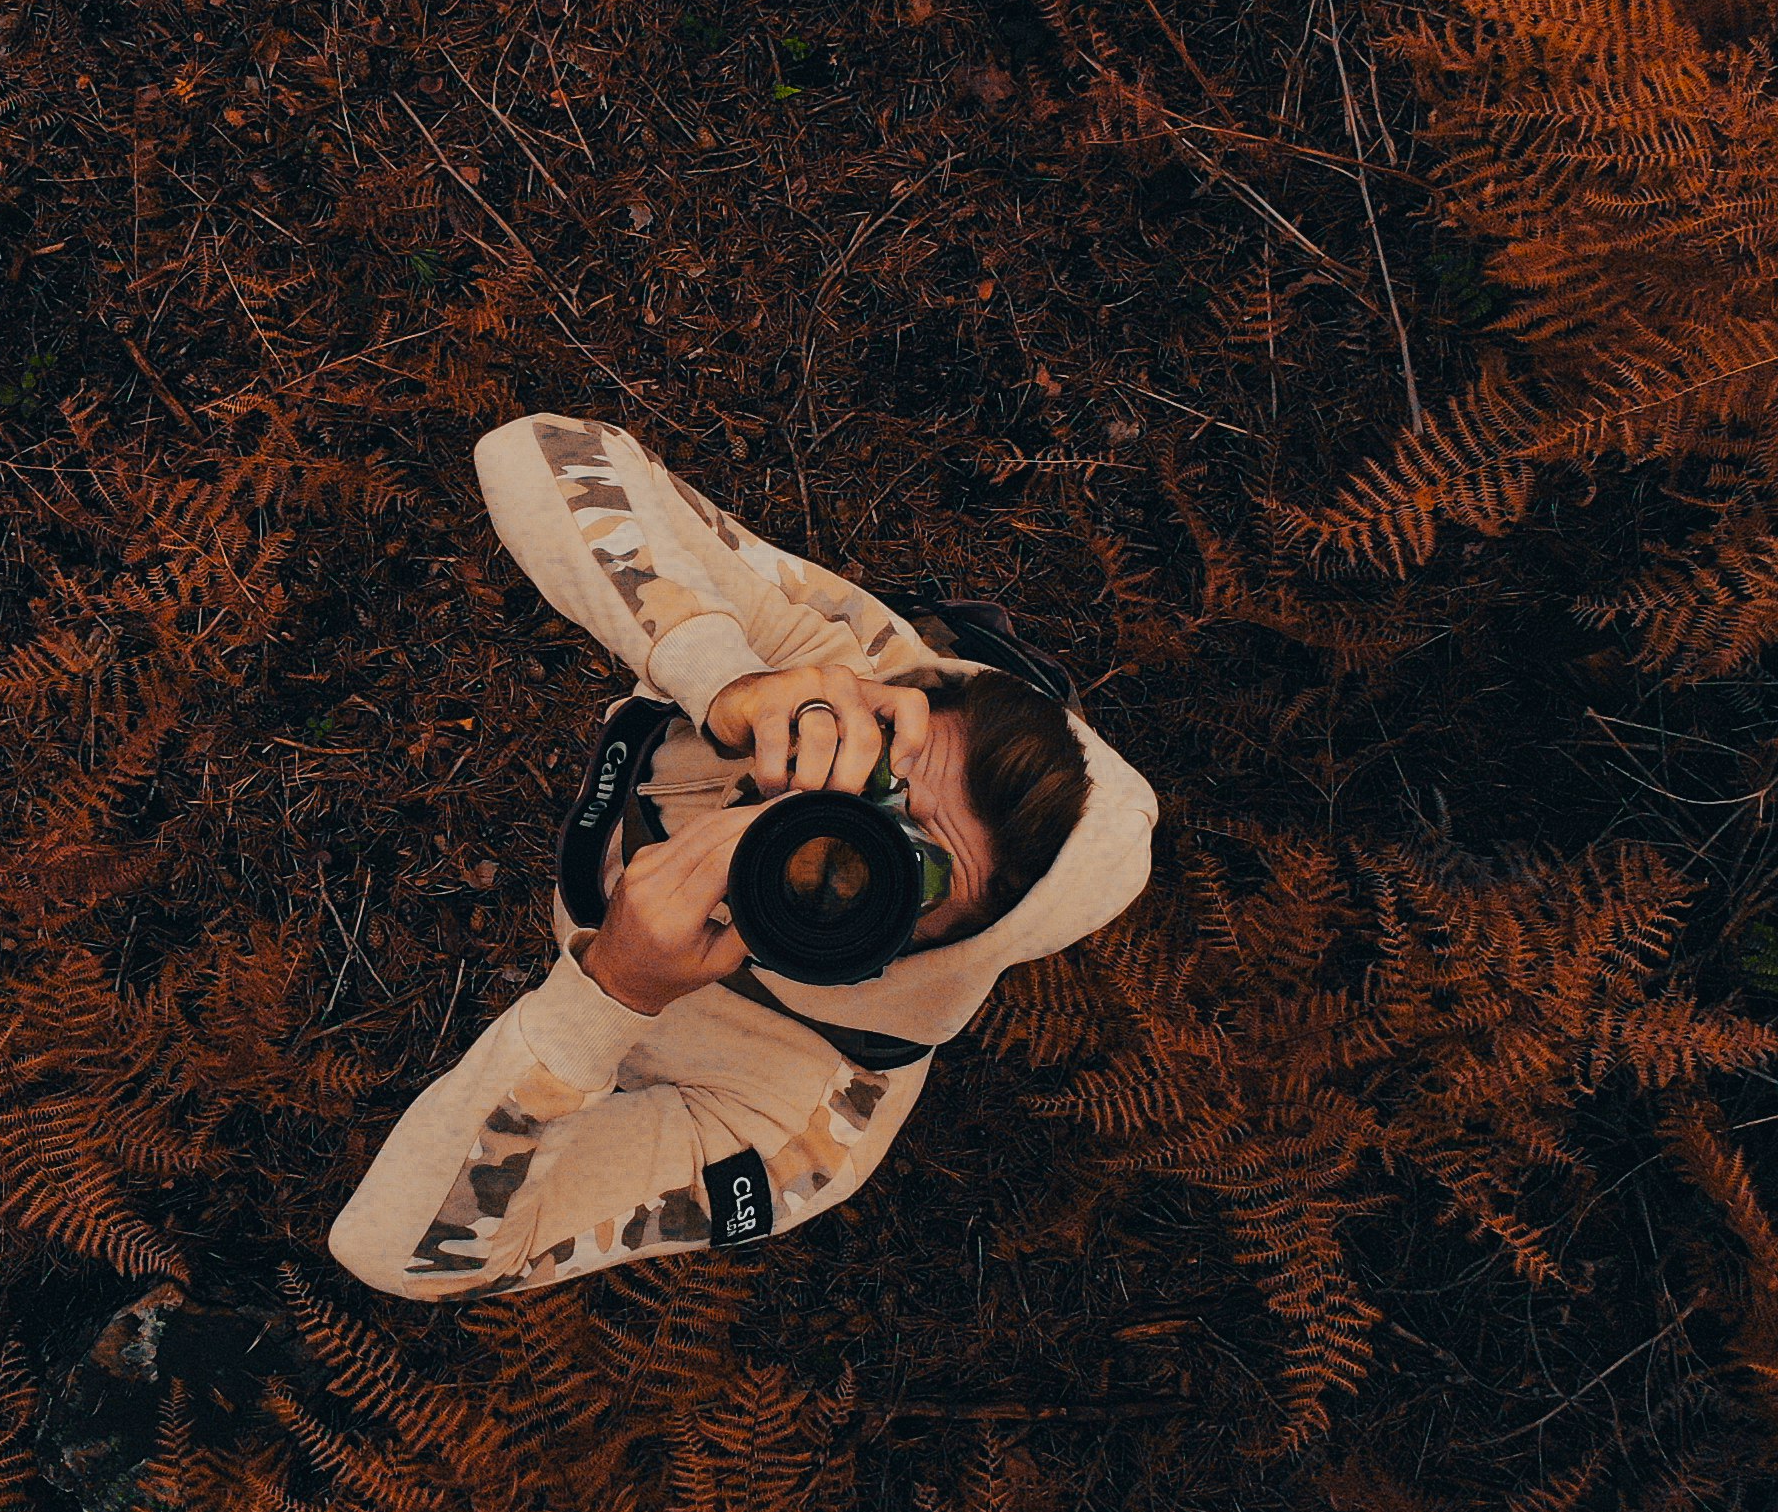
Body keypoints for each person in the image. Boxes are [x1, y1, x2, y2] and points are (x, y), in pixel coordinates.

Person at [323, 412, 1159, 1296]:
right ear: (893, 711)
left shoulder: (804, 1133)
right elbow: (535, 452)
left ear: (962, 942)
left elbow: (399, 1255)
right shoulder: (850, 668)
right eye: (882, 779)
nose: (846, 836)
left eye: (916, 873)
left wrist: (609, 998)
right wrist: (726, 676)